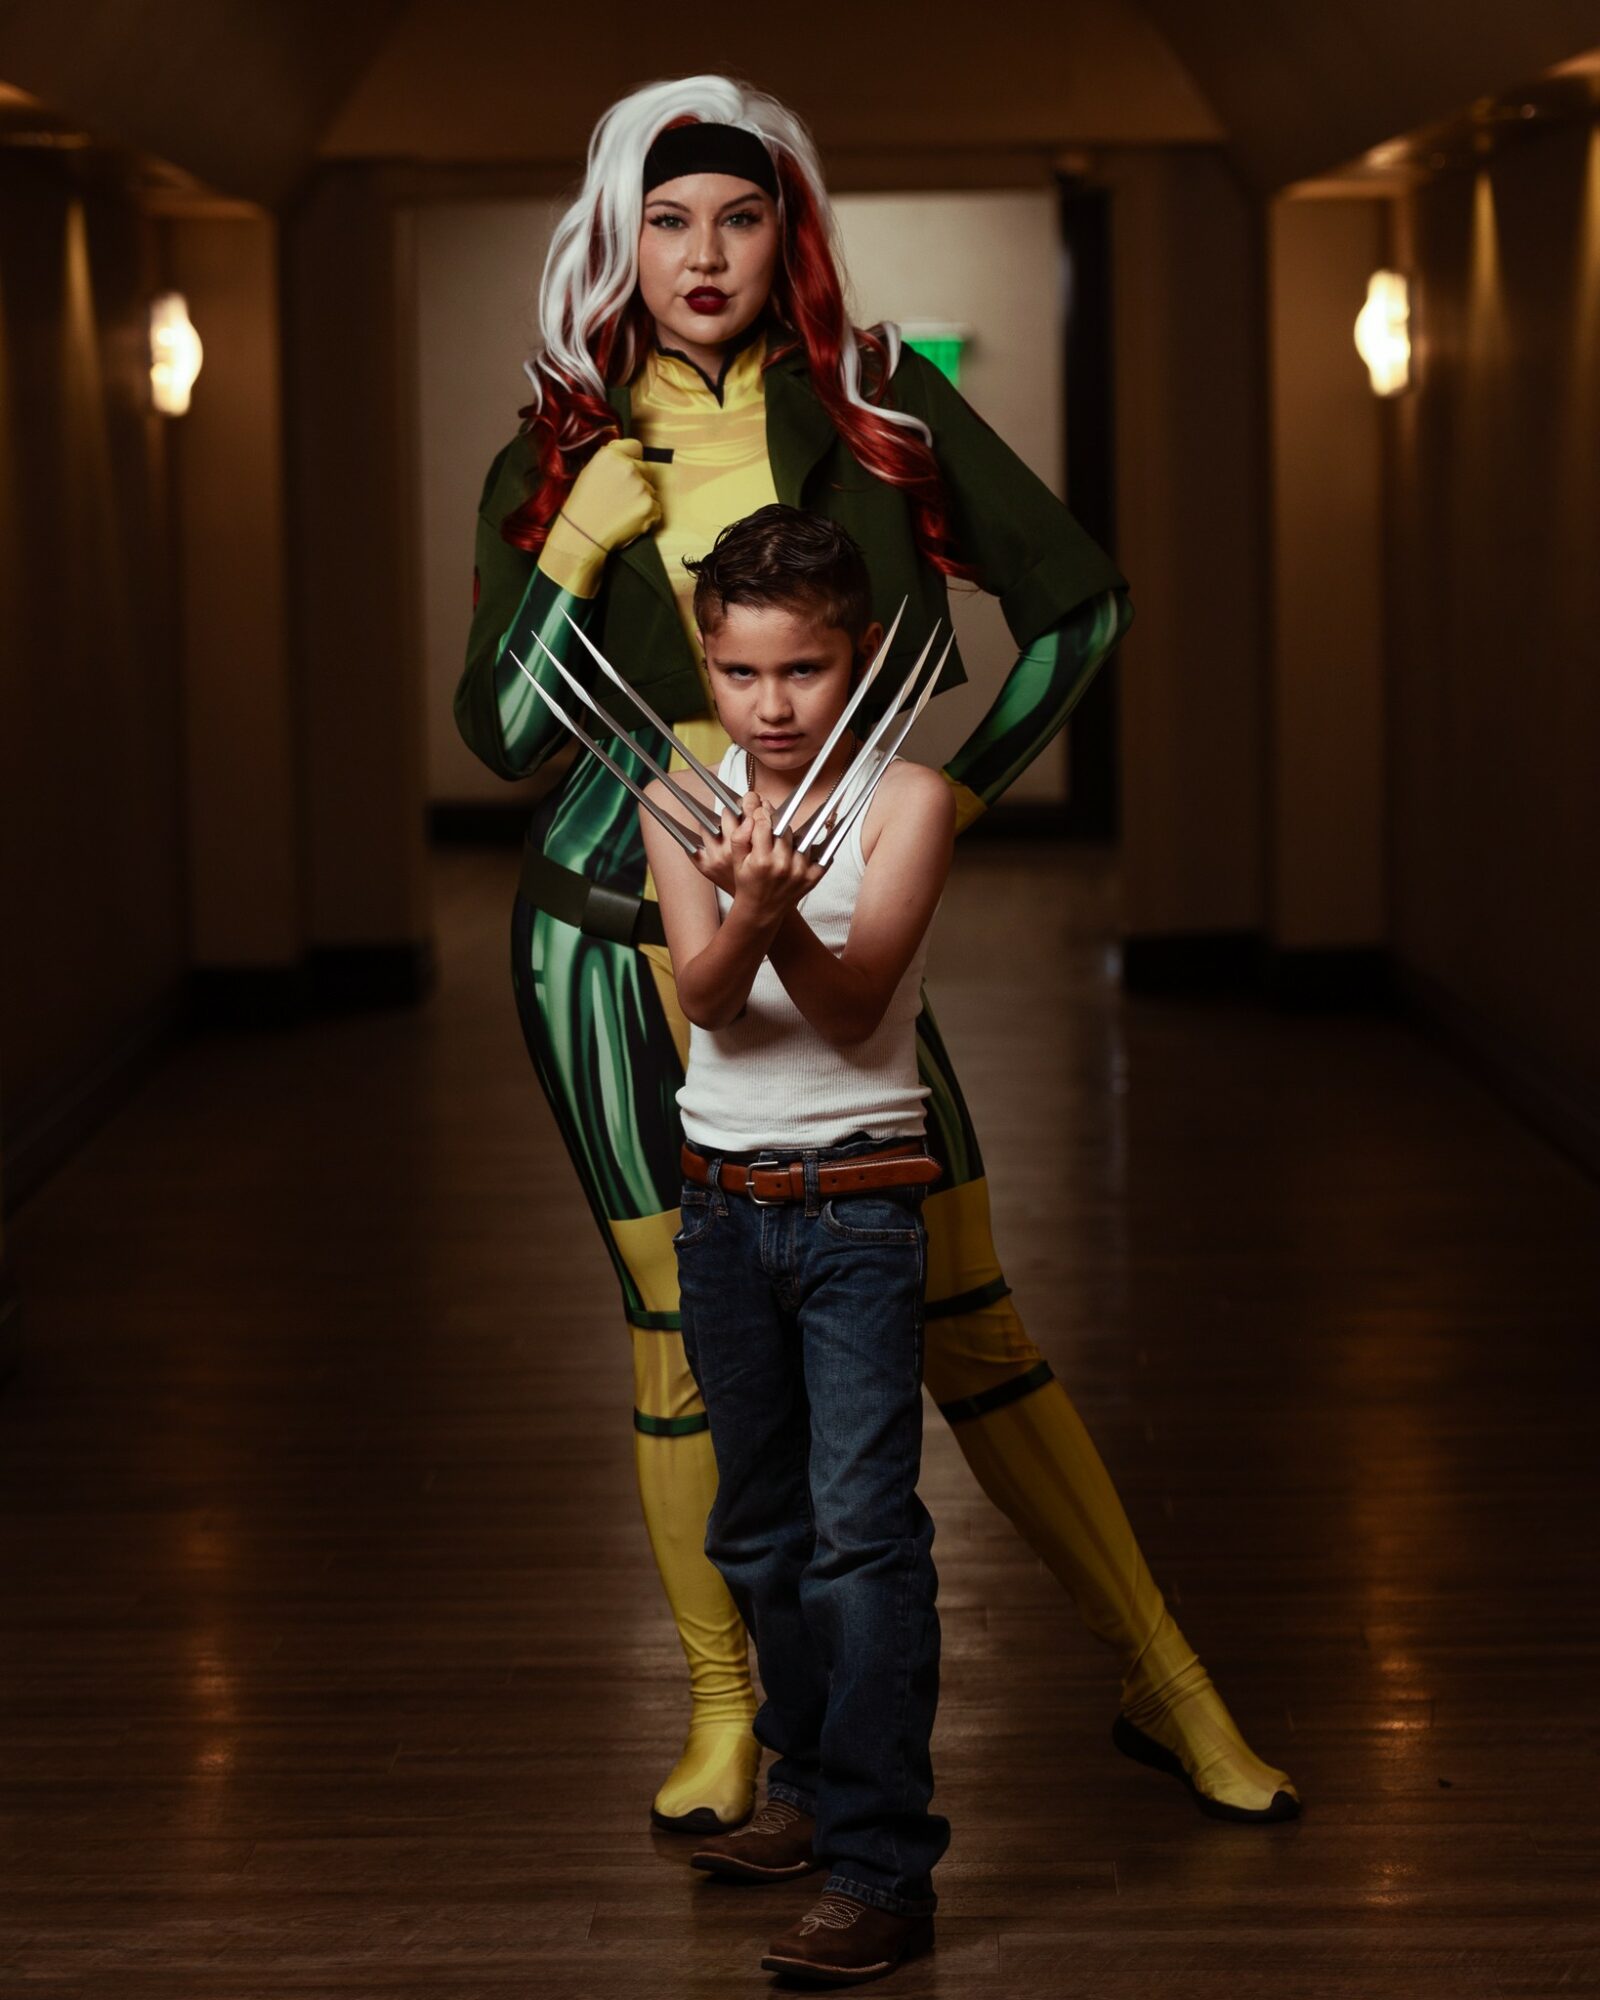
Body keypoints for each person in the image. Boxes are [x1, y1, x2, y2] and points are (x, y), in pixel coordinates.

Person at [454, 72, 1299, 1834]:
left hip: (841, 932)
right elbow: (498, 732)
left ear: (790, 232)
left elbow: (1084, 606)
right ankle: (724, 1717)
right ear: (620, 234)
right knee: (676, 1337)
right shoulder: (556, 447)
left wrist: (961, 804)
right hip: (604, 947)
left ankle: (1168, 1679)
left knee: (969, 1315)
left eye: (739, 216)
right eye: (667, 219)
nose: (702, 255)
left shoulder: (882, 400)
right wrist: (585, 536)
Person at [641, 505, 953, 1984]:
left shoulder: (912, 805)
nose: (769, 710)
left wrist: (778, 918)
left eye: (806, 671)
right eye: (739, 674)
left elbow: (843, 1010)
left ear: (865, 656)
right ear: (709, 665)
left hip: (857, 1213)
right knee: (758, 1533)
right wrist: (744, 911)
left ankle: (886, 1868)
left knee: (862, 1537)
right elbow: (706, 998)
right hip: (720, 1210)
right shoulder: (680, 798)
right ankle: (816, 1797)